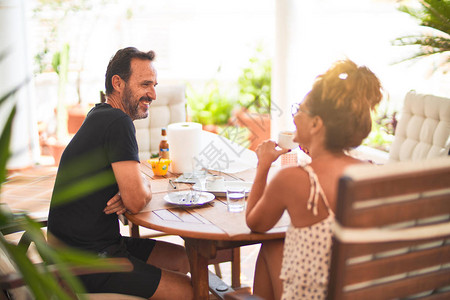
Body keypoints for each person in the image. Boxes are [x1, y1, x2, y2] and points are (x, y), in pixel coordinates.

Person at [48, 47, 194, 300]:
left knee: (181, 258)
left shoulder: (99, 115)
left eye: (154, 85)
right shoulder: (118, 122)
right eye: (145, 84)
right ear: (118, 83)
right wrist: (140, 188)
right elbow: (136, 201)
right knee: (193, 291)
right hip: (88, 261)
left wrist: (133, 188)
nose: (153, 94)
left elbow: (132, 192)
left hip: (89, 248)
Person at [245, 59, 383, 300]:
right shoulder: (370, 173)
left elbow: (255, 223)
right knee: (274, 245)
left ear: (317, 124)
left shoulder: (294, 179)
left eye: (301, 109)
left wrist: (263, 164)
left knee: (268, 244)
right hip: (355, 291)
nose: (295, 116)